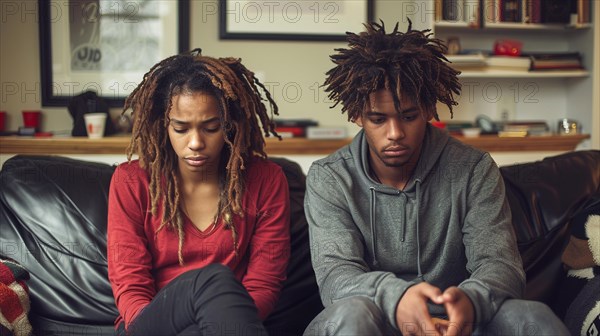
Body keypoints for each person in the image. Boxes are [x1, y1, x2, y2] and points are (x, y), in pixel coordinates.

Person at [303, 21, 569, 335]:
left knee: (531, 317)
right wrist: (398, 297)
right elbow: (336, 277)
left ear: (429, 109)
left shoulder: (474, 169)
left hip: (453, 323)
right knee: (352, 313)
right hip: (370, 318)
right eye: (378, 119)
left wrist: (471, 299)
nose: (395, 133)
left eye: (408, 116)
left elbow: (501, 264)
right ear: (356, 115)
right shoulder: (329, 178)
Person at [107, 49, 290, 335]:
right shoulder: (131, 182)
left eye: (211, 127)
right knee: (213, 279)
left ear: (230, 125)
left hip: (225, 324)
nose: (195, 142)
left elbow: (264, 284)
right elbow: (130, 284)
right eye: (180, 128)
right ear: (163, 126)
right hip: (151, 324)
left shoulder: (266, 180)